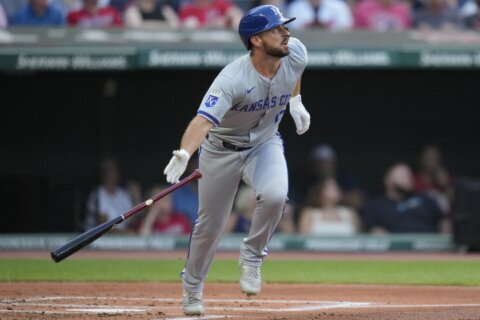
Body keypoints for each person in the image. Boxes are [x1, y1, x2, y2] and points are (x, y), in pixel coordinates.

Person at [163, 4, 310, 315]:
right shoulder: (231, 78)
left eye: (284, 26)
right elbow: (202, 121)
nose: (286, 32)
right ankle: (192, 288)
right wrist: (186, 152)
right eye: (276, 28)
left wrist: (295, 101)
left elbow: (294, 72)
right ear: (256, 40)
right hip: (220, 151)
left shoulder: (294, 51)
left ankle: (253, 256)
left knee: (274, 196)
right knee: (210, 227)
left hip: (264, 143)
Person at [363, 163, 448, 234]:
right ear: (387, 180)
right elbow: (373, 230)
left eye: (409, 176)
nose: (407, 179)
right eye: (402, 176)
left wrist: (445, 239)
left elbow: (444, 220)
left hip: (431, 248)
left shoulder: (425, 199)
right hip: (397, 251)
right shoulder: (375, 205)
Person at [84, 159, 134, 231]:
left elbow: (132, 220)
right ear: (102, 175)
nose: (110, 175)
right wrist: (128, 233)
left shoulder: (124, 194)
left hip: (123, 237)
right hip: (98, 238)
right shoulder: (97, 195)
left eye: (113, 171)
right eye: (107, 171)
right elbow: (105, 227)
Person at [413, 145, 453, 214]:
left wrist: (445, 186)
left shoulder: (446, 178)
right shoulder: (413, 179)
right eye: (428, 156)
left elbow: (452, 204)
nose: (431, 159)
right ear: (422, 159)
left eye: (434, 156)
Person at [286, 0, 353, 31]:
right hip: (304, 45)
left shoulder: (339, 6)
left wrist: (328, 27)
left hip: (335, 44)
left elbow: (347, 28)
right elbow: (291, 31)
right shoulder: (295, 7)